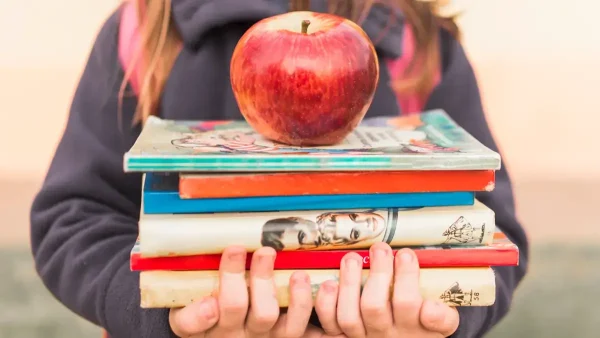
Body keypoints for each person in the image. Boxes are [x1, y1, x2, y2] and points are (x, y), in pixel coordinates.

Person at [29, 0, 529, 337]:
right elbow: (74, 216)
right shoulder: (144, 32)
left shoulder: (420, 41)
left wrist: (439, 317)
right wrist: (170, 314)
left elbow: (491, 227)